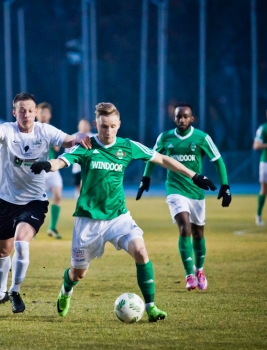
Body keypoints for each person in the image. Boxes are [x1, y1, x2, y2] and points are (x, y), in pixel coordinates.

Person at [29, 102, 216, 321]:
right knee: (78, 273)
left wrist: (194, 175)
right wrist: (46, 165)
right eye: (103, 126)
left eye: (111, 126)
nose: (107, 131)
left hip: (118, 217)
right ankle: (66, 290)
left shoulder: (127, 146)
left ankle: (151, 307)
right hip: (89, 221)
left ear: (119, 125)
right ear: (96, 125)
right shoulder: (86, 146)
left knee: (141, 252)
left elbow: (162, 159)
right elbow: (61, 162)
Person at [0, 92, 91, 317]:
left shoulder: (44, 131)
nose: (26, 114)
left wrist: (81, 136)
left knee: (21, 241)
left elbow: (69, 139)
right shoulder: (8, 131)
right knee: (2, 252)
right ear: (14, 112)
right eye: (21, 110)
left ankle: (15, 290)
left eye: (30, 110)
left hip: (34, 202)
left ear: (36, 113)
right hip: (6, 201)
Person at [137, 104, 231, 291]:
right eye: (178, 117)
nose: (181, 120)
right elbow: (151, 156)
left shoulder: (202, 138)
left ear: (191, 119)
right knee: (184, 228)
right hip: (174, 189)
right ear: (174, 118)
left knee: (199, 233)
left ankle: (200, 270)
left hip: (196, 192)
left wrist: (225, 185)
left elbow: (218, 160)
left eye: (185, 117)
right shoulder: (165, 138)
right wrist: (145, 178)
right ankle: (189, 275)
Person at [36, 102, 63, 239]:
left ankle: (52, 228)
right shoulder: (32, 129)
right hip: (36, 169)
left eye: (46, 112)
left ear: (50, 115)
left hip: (51, 168)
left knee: (57, 196)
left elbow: (58, 148)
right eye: (41, 112)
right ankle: (30, 227)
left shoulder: (52, 130)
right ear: (36, 114)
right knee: (33, 200)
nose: (44, 115)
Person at [70, 119, 94, 198]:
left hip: (90, 167)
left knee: (87, 185)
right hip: (77, 167)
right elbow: (68, 151)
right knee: (78, 187)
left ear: (89, 126)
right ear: (78, 126)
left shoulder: (94, 137)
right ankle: (78, 199)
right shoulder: (73, 137)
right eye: (82, 125)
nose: (83, 127)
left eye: (85, 125)